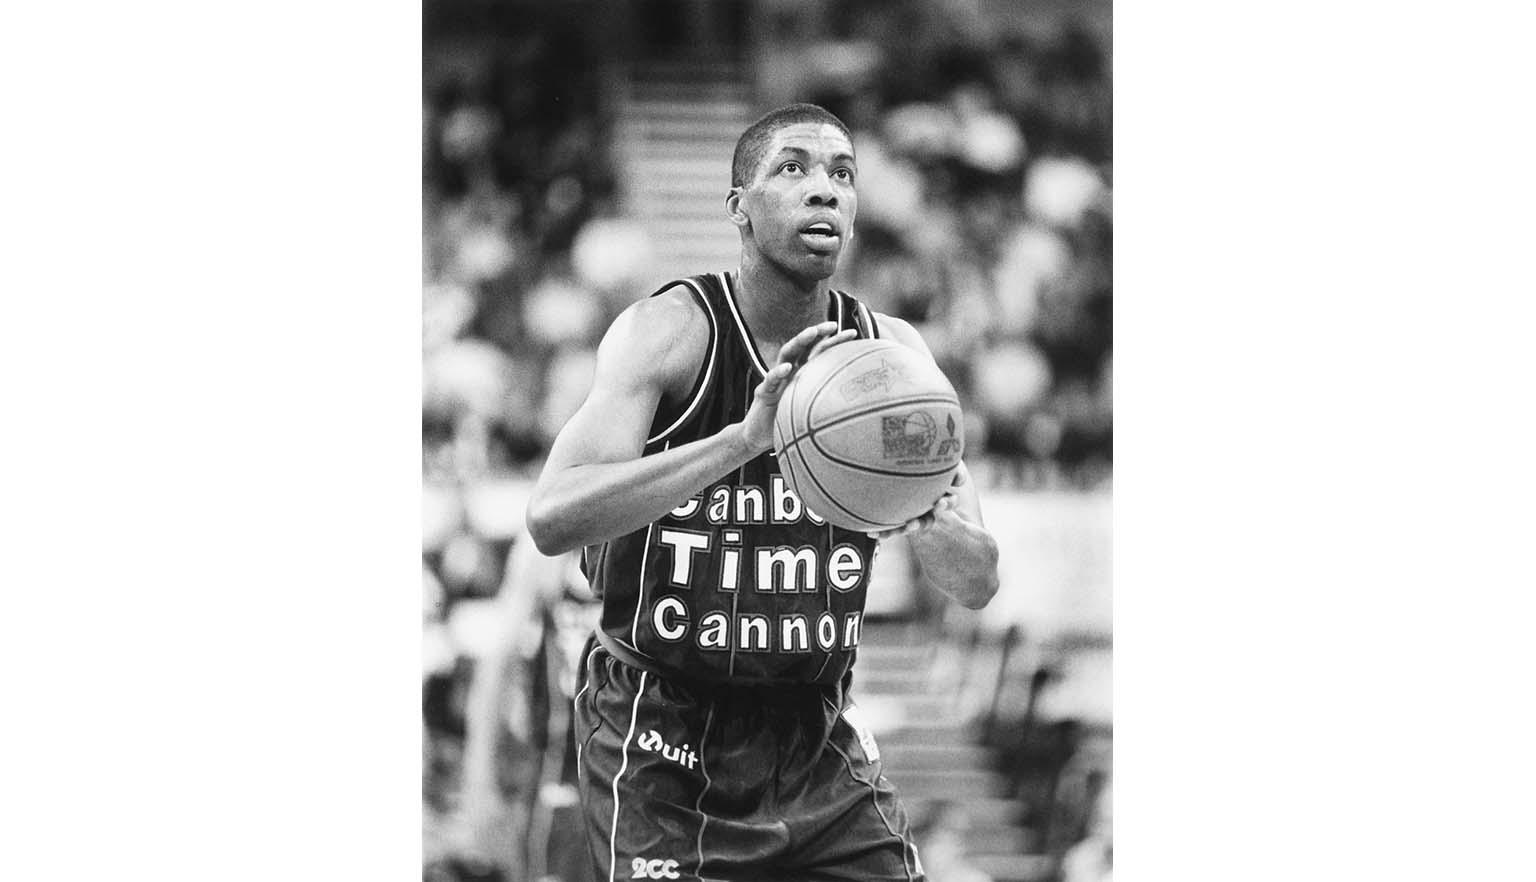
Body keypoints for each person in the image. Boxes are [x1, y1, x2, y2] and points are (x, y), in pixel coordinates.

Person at [526, 103, 1000, 882]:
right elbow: (552, 518)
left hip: (811, 734)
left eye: (842, 174)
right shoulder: (671, 332)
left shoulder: (892, 363)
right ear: (739, 207)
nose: (825, 190)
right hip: (661, 727)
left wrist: (921, 514)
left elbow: (976, 580)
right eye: (793, 169)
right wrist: (742, 442)